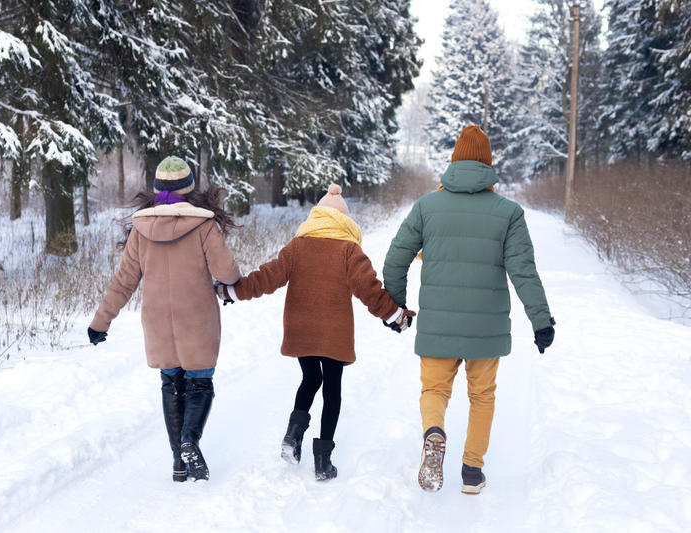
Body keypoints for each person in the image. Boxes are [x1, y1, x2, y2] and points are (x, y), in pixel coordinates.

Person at [382, 125, 555, 494]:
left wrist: (397, 306)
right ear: (488, 165)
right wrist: (541, 320)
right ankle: (472, 473)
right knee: (482, 395)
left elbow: (396, 259)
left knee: (434, 389)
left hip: (438, 324)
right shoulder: (508, 212)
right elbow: (523, 270)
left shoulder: (427, 206)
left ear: (454, 161)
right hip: (485, 330)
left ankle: (434, 432)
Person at [215, 184, 416, 481]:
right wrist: (395, 315)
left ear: (317, 216)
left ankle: (293, 435)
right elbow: (370, 291)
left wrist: (233, 290)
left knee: (310, 379)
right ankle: (323, 461)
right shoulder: (349, 249)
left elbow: (267, 277)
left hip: (301, 328)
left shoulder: (298, 246)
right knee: (332, 389)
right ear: (344, 221)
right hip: (334, 332)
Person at [87, 155, 241, 482]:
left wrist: (100, 322)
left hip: (157, 321)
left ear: (156, 189)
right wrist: (232, 281)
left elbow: (124, 281)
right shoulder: (203, 225)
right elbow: (226, 271)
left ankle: (178, 463)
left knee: (171, 383)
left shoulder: (141, 229)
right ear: (189, 189)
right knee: (200, 382)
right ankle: (189, 441)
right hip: (197, 317)